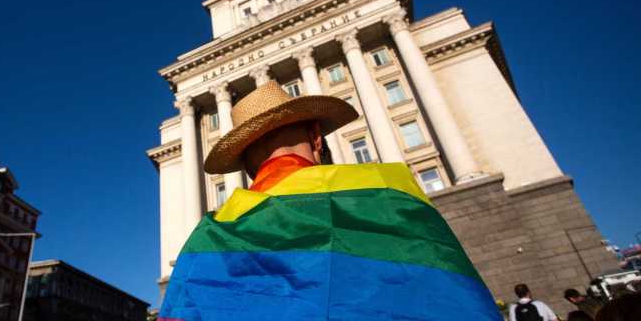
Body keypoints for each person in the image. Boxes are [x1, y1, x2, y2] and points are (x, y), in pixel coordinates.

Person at [158, 81, 502, 321]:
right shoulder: (389, 189)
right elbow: (458, 301)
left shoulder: (213, 233)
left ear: (246, 163)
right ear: (317, 138)